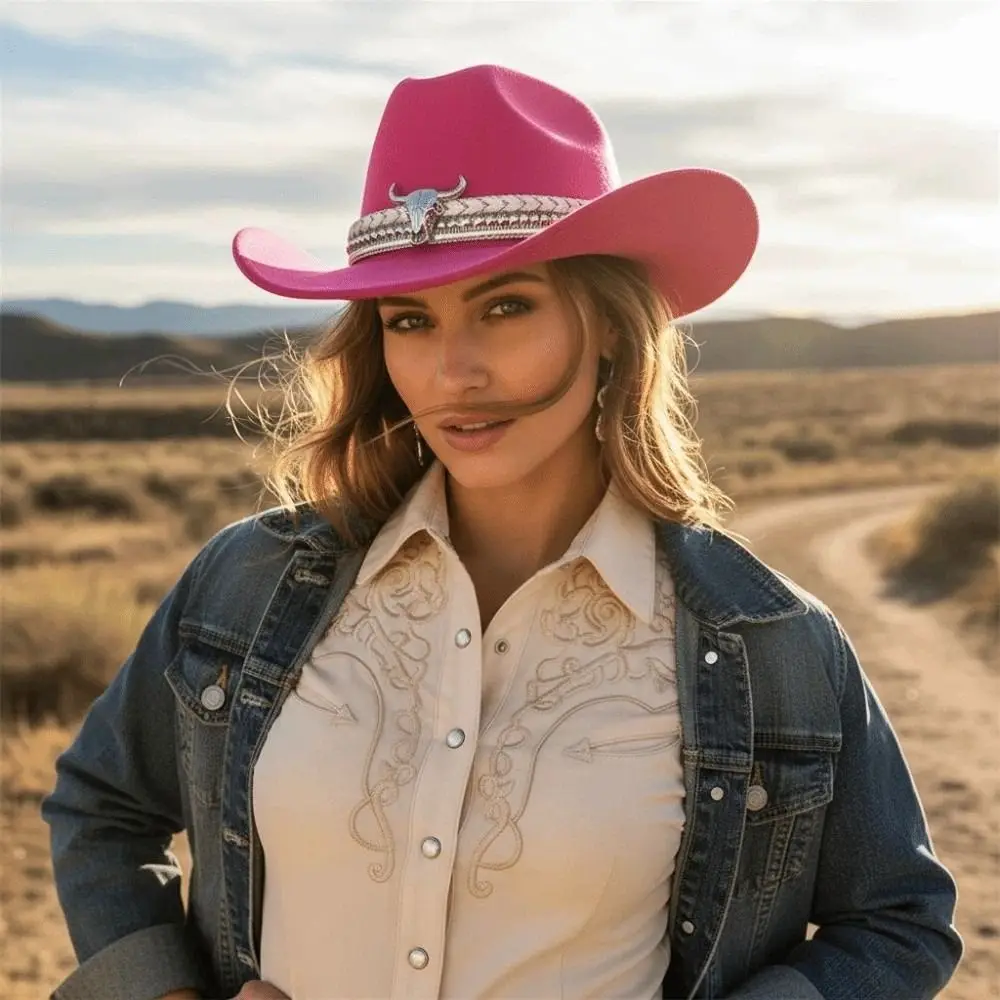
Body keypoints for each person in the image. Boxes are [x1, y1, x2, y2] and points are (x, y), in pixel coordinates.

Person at [42, 64, 961, 1000]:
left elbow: (896, 920)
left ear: (609, 325)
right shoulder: (244, 584)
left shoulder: (774, 644)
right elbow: (104, 808)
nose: (453, 371)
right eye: (410, 318)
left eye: (506, 307)